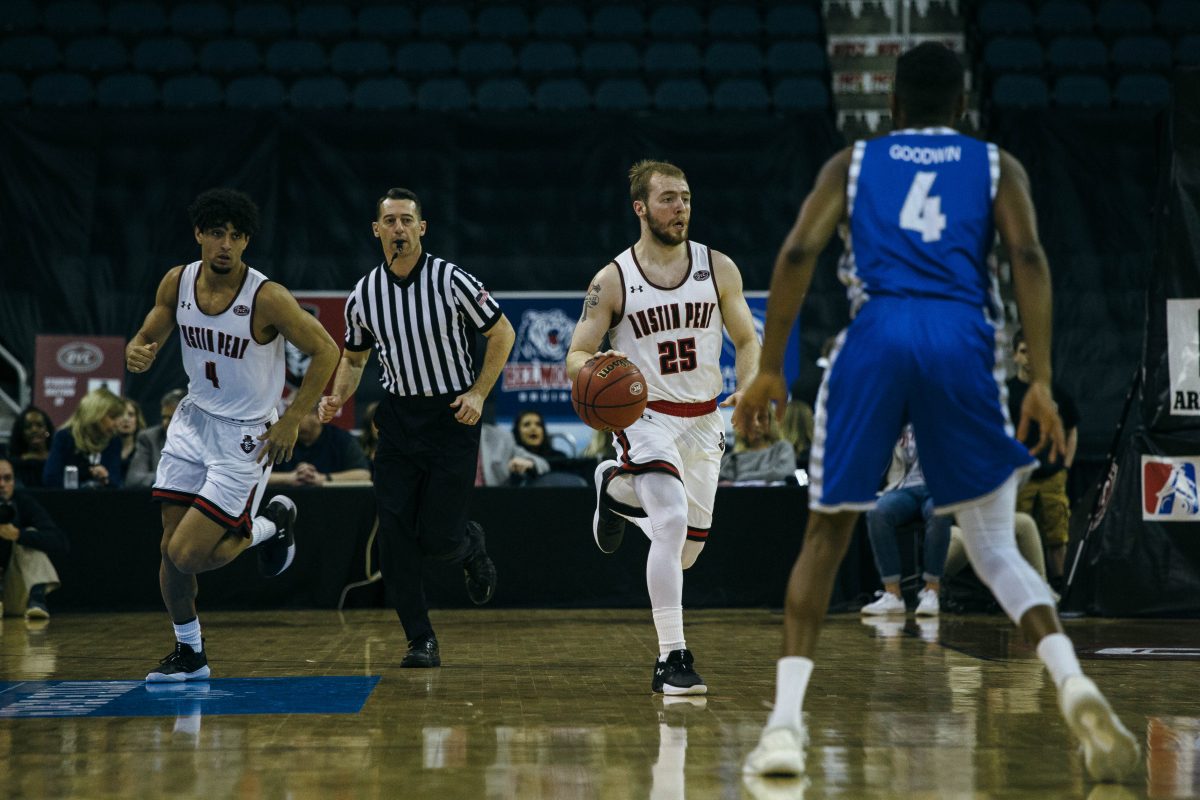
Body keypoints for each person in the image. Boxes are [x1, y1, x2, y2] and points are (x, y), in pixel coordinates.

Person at [736, 44, 1137, 782]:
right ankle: (1074, 683)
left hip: (876, 332)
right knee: (994, 548)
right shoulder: (994, 165)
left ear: (892, 108)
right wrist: (1041, 380)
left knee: (826, 535)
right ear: (963, 106)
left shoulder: (850, 164)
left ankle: (786, 726)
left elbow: (796, 253)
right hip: (962, 339)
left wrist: (769, 369)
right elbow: (1030, 258)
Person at [125, 187, 339, 683]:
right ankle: (190, 653)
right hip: (193, 420)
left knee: (189, 554)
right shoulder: (177, 281)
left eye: (237, 236)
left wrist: (290, 418)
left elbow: (326, 350)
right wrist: (139, 347)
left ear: (246, 242)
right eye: (217, 233)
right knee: (169, 554)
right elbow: (153, 327)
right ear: (199, 234)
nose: (226, 244)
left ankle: (271, 526)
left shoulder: (268, 297)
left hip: (247, 436)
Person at [565, 159, 761, 695]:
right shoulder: (612, 279)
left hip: (704, 419)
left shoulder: (718, 267)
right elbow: (577, 354)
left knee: (687, 552)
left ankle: (613, 486)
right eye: (669, 198)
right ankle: (671, 659)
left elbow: (747, 340)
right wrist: (604, 370)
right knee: (671, 520)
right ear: (641, 208)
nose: (681, 208)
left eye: (687, 198)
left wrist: (748, 386)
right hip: (644, 416)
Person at [319, 187, 512, 669]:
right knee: (395, 536)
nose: (399, 229)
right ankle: (419, 638)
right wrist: (335, 397)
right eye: (391, 221)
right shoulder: (363, 294)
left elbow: (501, 332)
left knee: (440, 537)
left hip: (451, 417)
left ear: (422, 228)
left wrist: (478, 393)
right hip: (400, 421)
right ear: (377, 230)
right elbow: (356, 358)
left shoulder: (451, 280)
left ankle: (469, 544)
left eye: (408, 220)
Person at [1007, 328, 1080, 590]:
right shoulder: (1006, 392)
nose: (1029, 359)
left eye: (1033, 352)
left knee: (1056, 536)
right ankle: (1020, 588)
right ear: (1015, 356)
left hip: (1051, 475)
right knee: (1015, 535)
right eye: (1024, 352)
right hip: (1018, 477)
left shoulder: (1055, 392)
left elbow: (1072, 430)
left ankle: (1059, 588)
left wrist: (1065, 467)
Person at [859, 425, 952, 617]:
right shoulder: (897, 415)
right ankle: (892, 594)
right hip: (904, 487)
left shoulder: (944, 407)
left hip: (938, 486)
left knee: (939, 511)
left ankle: (931, 590)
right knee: (877, 512)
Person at [0, 458, 68, 619]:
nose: (1, 484)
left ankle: (37, 600)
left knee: (30, 534)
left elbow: (59, 541)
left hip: (12, 590)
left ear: (14, 482)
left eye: (7, 478)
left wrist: (18, 535)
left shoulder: (23, 503)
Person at [268, 405, 372, 486]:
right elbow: (256, 475)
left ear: (318, 416)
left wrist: (323, 478)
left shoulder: (341, 439)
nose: (288, 418)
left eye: (295, 413)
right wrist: (290, 478)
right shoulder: (278, 440)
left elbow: (363, 474)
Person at [43, 387, 125, 488]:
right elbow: (51, 479)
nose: (117, 424)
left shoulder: (114, 442)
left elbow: (116, 482)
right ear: (94, 414)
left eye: (118, 418)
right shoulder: (64, 437)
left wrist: (106, 479)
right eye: (112, 417)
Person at [127, 388, 186, 488]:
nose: (165, 423)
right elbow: (133, 479)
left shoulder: (205, 439)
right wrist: (175, 478)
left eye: (171, 418)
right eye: (164, 417)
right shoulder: (149, 438)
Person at [718, 411, 795, 485]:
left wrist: (742, 478)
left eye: (761, 418)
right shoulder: (731, 459)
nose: (756, 424)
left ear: (770, 421)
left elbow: (785, 473)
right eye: (749, 419)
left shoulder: (782, 448)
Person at [478, 422, 550, 486]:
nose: (533, 428)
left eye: (538, 424)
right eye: (526, 424)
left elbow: (542, 464)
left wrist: (529, 463)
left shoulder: (500, 437)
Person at [7, 406, 54, 488]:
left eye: (39, 425)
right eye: (28, 427)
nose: (34, 430)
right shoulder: (14, 465)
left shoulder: (58, 462)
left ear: (47, 430)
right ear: (21, 433)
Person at [116, 397, 146, 479]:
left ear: (137, 419)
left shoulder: (145, 449)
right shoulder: (104, 449)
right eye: (120, 414)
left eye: (131, 414)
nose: (126, 419)